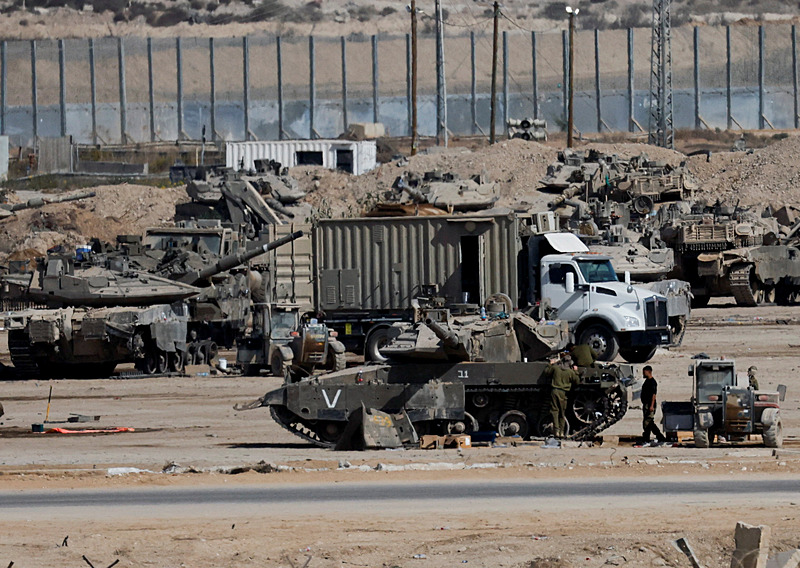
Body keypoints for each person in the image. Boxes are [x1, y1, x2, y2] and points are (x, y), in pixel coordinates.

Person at [545, 355, 580, 438]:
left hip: (554, 391)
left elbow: (546, 372)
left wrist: (550, 364)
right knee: (562, 412)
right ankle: (561, 432)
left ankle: (556, 431)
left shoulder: (556, 368)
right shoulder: (570, 372)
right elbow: (577, 381)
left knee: (554, 411)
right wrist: (576, 371)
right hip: (563, 393)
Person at [640, 365, 667, 446]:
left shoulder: (652, 382)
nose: (643, 374)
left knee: (648, 422)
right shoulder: (647, 381)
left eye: (644, 372)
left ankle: (649, 438)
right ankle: (657, 437)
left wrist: (651, 405)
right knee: (649, 422)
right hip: (646, 404)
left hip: (650, 405)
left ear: (649, 372)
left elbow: (653, 395)